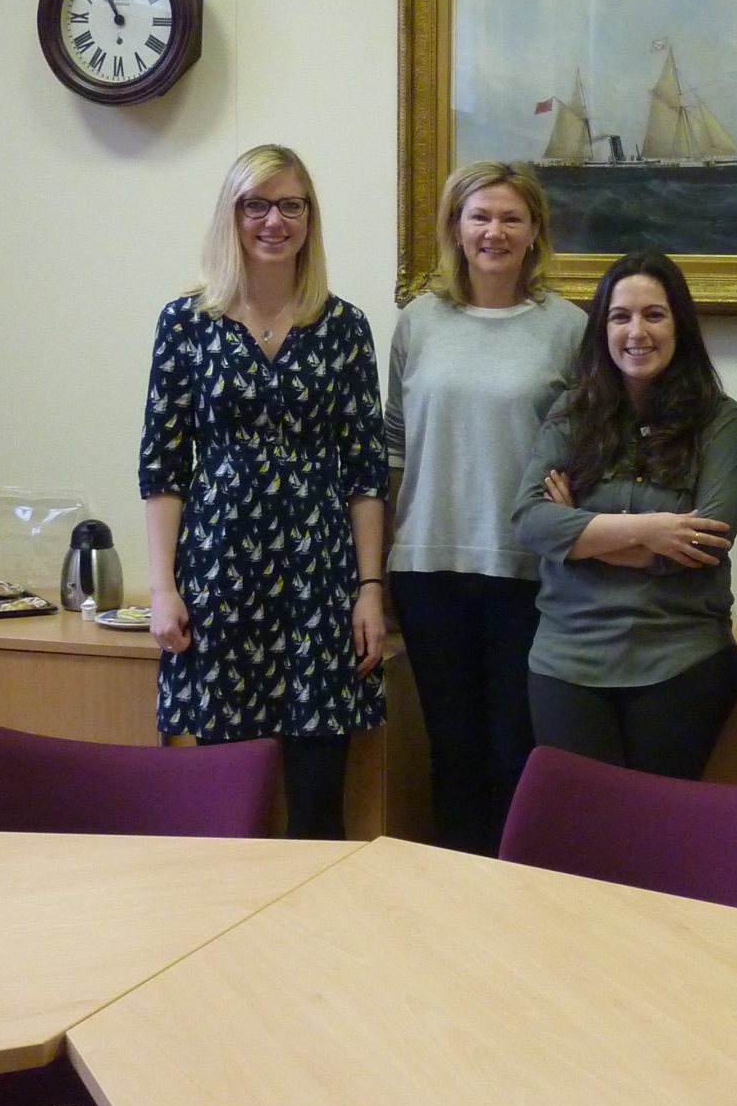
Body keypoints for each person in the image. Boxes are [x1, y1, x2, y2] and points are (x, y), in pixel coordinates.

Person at [138, 143, 387, 840]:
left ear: (310, 218)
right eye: (256, 204)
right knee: (227, 806)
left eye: (290, 205)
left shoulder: (344, 328)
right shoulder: (185, 323)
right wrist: (163, 587)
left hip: (318, 585)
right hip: (220, 579)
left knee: (316, 809)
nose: (273, 221)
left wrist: (369, 589)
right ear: (232, 215)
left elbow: (366, 473)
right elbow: (162, 468)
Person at [385, 160, 584, 855]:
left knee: (516, 755)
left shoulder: (568, 328)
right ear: (456, 228)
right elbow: (395, 447)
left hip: (527, 574)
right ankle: (457, 912)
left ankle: (516, 912)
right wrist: (376, 576)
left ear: (535, 232)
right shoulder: (418, 323)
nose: (494, 231)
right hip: (427, 568)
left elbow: (587, 449)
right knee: (453, 754)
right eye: (480, 216)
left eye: (510, 218)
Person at [512, 252, 737, 779]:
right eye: (620, 316)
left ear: (679, 325)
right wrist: (652, 530)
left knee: (652, 838)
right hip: (566, 661)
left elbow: (705, 543)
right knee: (581, 842)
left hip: (679, 660)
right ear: (602, 328)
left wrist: (580, 534)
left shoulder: (718, 419)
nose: (636, 331)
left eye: (654, 315)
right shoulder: (571, 413)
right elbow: (530, 519)